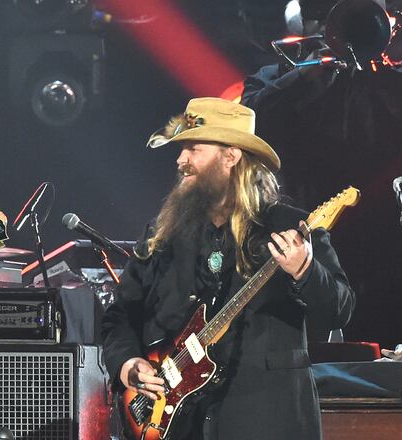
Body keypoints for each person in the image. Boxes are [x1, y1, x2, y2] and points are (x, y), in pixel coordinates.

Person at [102, 97, 355, 439]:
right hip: (179, 423)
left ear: (231, 156)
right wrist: (128, 364)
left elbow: (340, 310)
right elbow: (120, 314)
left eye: (193, 149)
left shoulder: (290, 226)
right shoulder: (163, 233)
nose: (181, 160)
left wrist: (305, 270)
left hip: (265, 420)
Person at [242, 0, 402, 345]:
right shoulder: (280, 77)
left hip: (382, 245)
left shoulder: (389, 84)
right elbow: (249, 122)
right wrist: (305, 76)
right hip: (306, 235)